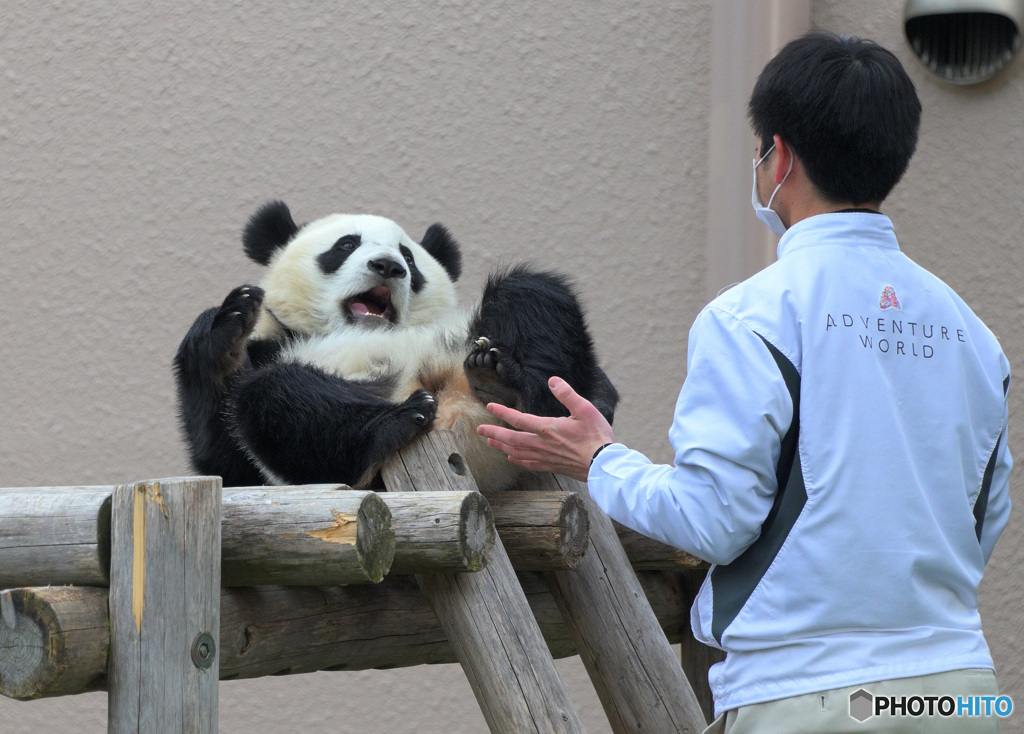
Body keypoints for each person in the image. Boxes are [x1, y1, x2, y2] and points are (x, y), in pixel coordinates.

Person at [478, 31, 1011, 733]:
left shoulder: (749, 317)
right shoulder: (974, 335)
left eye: (761, 149)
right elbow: (984, 518)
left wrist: (601, 460)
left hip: (811, 698)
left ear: (779, 158)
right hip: (963, 692)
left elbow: (714, 520)